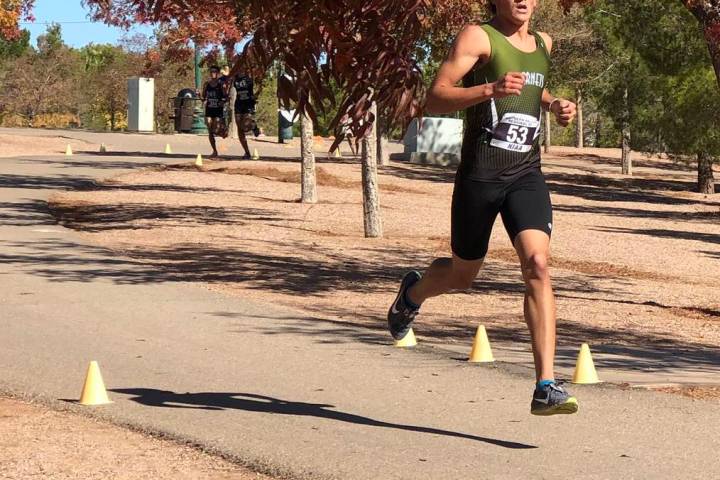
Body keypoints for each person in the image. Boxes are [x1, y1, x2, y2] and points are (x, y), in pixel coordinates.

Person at [387, 0, 578, 416]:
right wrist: (489, 89)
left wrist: (553, 104)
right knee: (462, 274)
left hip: (526, 173)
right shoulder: (478, 37)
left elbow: (530, 86)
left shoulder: (544, 42)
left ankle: (546, 384)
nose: (523, 1)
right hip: (479, 176)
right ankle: (413, 292)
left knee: (538, 265)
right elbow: (435, 98)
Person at [200, 65, 228, 158]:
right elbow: (203, 99)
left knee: (215, 129)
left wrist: (222, 102)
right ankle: (214, 151)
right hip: (209, 108)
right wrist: (199, 95)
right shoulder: (206, 84)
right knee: (210, 129)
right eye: (211, 71)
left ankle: (223, 132)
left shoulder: (221, 84)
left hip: (217, 109)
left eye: (215, 72)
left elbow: (226, 97)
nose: (213, 73)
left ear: (218, 73)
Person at [232, 69, 260, 159]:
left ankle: (253, 126)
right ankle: (247, 152)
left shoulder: (249, 78)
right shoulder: (235, 79)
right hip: (239, 104)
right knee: (240, 129)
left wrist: (255, 96)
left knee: (245, 126)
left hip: (248, 103)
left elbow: (259, 86)